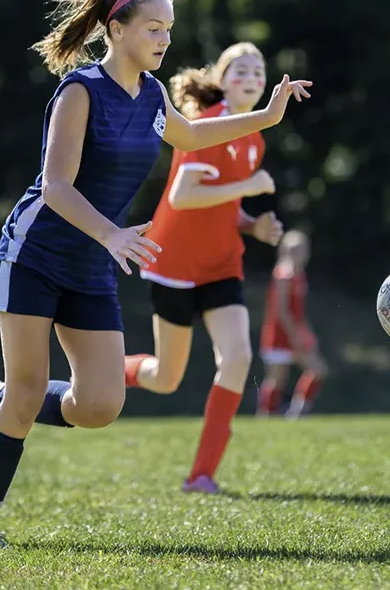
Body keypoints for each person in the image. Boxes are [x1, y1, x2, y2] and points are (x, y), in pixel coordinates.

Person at [0, 0, 312, 549]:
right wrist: (113, 236)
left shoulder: (151, 95)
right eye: (153, 28)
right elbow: (55, 188)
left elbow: (191, 138)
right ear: (115, 29)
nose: (165, 40)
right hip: (37, 253)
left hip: (92, 260)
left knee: (98, 405)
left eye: (169, 29)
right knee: (28, 393)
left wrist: (267, 117)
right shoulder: (79, 90)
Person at [120, 41, 286, 494]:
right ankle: (108, 370)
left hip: (220, 265)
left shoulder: (253, 137)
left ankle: (201, 476)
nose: (252, 77)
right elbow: (182, 198)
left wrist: (253, 226)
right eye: (241, 70)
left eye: (259, 71)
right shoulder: (207, 126)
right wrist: (251, 185)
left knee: (237, 358)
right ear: (221, 80)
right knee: (165, 379)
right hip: (173, 265)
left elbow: (225, 206)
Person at [256, 230, 327, 419]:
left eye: (299, 249)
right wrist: (296, 335)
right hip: (280, 334)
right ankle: (267, 414)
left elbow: (298, 313)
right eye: (291, 249)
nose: (295, 254)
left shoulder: (298, 274)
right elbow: (281, 311)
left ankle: (297, 410)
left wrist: (307, 333)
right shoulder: (283, 274)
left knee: (316, 370)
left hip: (294, 332)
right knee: (277, 379)